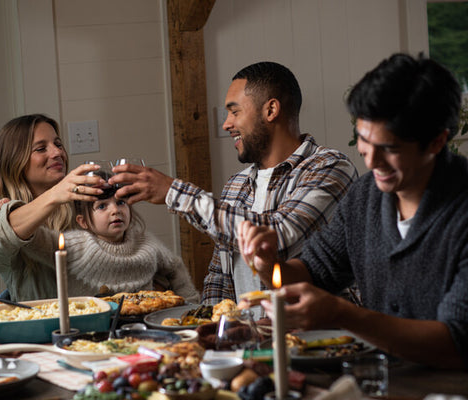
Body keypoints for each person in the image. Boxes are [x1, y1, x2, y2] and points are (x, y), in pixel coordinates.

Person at [238, 53, 468, 368]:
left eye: (389, 148)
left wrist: (341, 314)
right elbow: (311, 274)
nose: (370, 161)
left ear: (437, 142)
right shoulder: (365, 197)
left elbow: (456, 344)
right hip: (379, 382)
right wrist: (267, 265)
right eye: (363, 139)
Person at [109, 61, 358, 304]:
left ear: (271, 110)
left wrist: (173, 192)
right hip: (250, 341)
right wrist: (211, 328)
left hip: (320, 337)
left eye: (235, 111)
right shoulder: (236, 184)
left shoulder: (329, 167)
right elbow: (221, 275)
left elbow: (279, 234)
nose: (226, 123)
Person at [0, 114, 104, 301]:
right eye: (41, 148)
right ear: (15, 161)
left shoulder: (83, 206)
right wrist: (56, 194)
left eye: (58, 144)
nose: (57, 153)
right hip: (38, 328)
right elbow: (3, 236)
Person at [63, 193, 200, 302]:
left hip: (144, 317)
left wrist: (189, 303)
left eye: (121, 202)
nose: (115, 210)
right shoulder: (79, 245)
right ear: (83, 221)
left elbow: (175, 267)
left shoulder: (145, 241)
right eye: (102, 206)